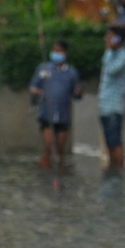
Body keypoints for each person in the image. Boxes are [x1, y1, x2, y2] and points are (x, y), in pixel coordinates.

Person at [29, 40, 83, 169]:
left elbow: (77, 94)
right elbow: (33, 87)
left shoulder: (71, 72)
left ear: (65, 53)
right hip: (47, 114)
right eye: (54, 50)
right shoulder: (44, 69)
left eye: (59, 51)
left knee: (60, 149)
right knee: (48, 145)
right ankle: (44, 168)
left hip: (63, 115)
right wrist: (36, 92)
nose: (55, 53)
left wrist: (78, 92)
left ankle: (59, 172)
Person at [98, 27, 125, 170]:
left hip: (115, 107)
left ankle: (119, 170)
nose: (106, 40)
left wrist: (110, 49)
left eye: (110, 37)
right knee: (109, 143)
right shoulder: (109, 53)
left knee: (116, 141)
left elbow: (112, 69)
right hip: (104, 106)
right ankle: (112, 171)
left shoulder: (123, 56)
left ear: (118, 39)